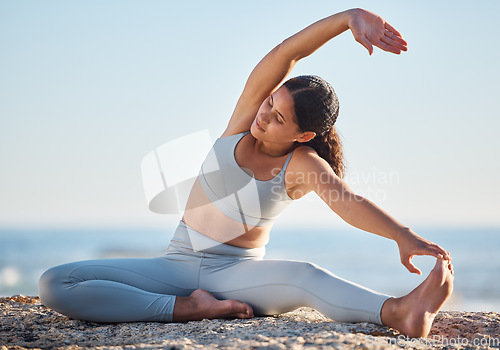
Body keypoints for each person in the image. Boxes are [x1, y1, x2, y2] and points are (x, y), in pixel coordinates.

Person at [39, 8, 454, 338]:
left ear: (303, 134)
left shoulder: (303, 164)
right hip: (176, 264)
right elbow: (285, 54)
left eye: (278, 118)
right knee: (55, 283)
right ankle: (187, 310)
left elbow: (350, 204)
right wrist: (349, 18)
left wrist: (403, 236)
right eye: (269, 103)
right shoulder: (241, 122)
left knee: (303, 276)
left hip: (237, 276)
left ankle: (399, 311)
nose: (264, 116)